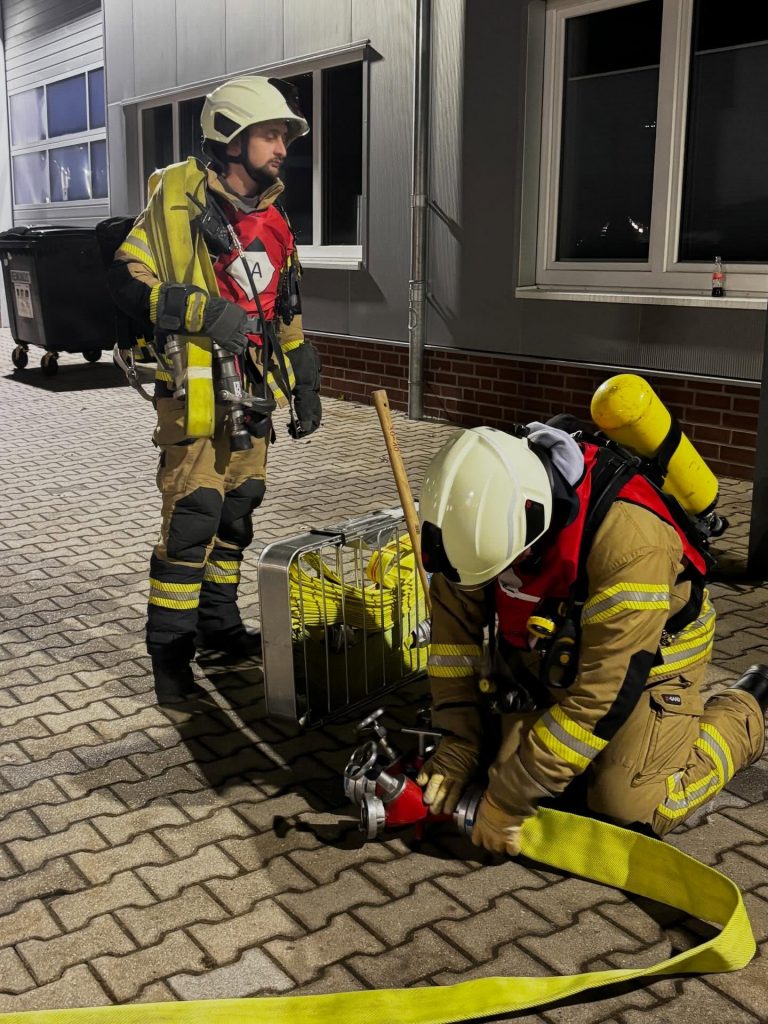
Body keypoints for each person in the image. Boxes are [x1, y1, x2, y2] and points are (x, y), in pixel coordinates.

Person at [416, 422, 767, 854]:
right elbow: (453, 647)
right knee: (507, 768)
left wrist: (508, 801)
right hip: (552, 650)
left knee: (626, 806)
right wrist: (459, 740)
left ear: (535, 523)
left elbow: (605, 693)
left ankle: (743, 712)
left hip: (649, 662)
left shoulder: (631, 542)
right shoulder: (467, 529)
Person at [108, 76, 322, 704]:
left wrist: (305, 379)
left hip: (252, 392)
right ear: (230, 138)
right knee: (192, 518)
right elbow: (127, 281)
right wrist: (202, 312)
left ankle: (219, 629)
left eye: (284, 136)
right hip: (195, 392)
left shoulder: (276, 221)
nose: (282, 148)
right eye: (270, 134)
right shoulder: (175, 202)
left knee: (238, 509)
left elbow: (285, 314)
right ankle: (170, 659)